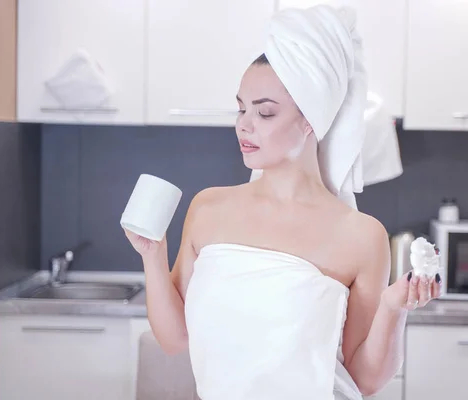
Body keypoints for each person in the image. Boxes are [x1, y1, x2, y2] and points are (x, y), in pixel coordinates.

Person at [124, 5, 441, 400]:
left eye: (265, 112)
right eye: (241, 108)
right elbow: (175, 340)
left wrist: (394, 309)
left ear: (311, 118)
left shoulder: (360, 236)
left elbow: (363, 379)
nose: (244, 124)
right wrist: (152, 256)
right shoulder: (208, 210)